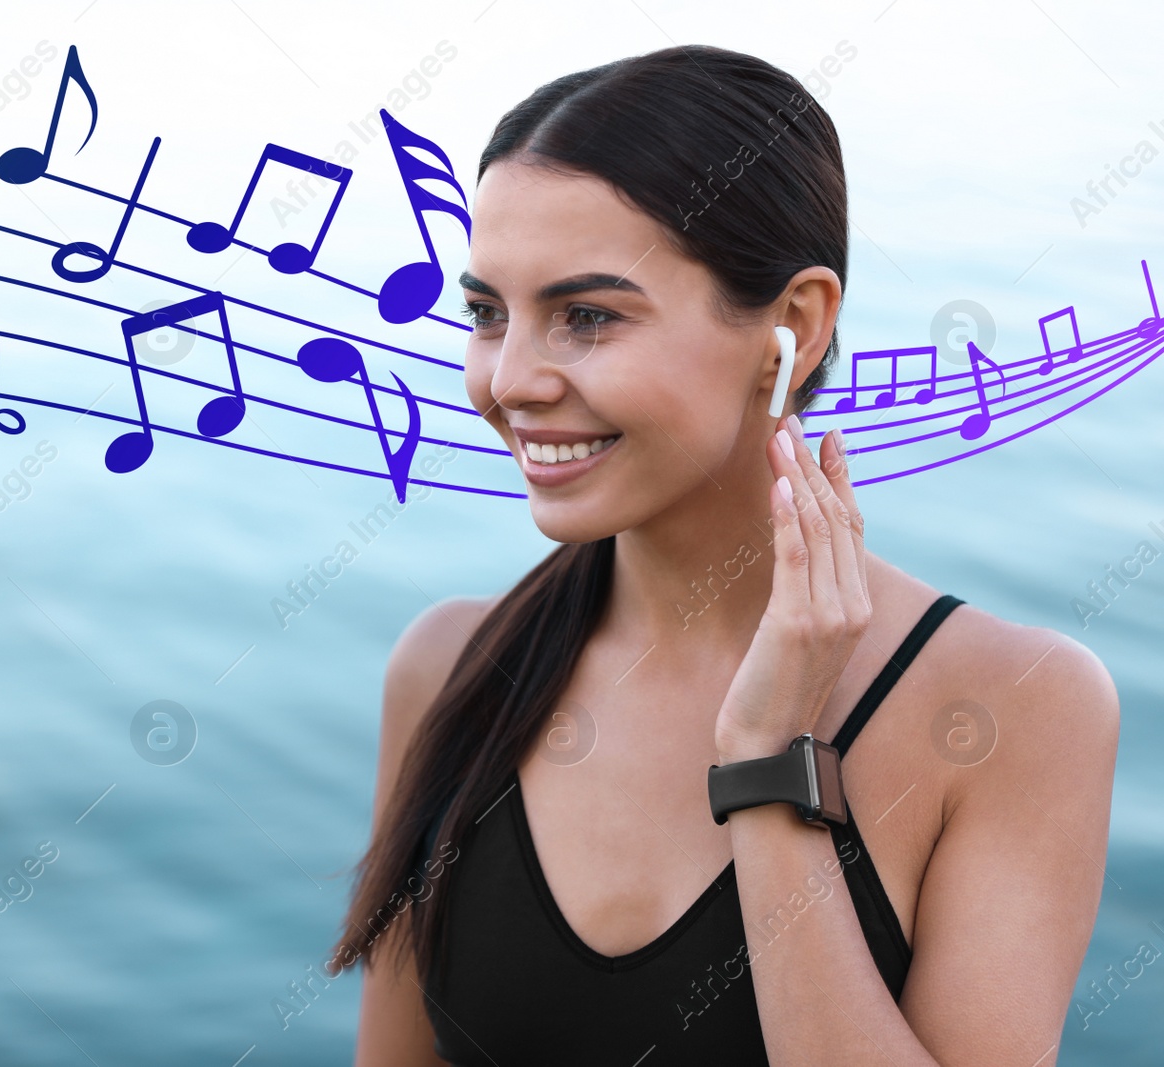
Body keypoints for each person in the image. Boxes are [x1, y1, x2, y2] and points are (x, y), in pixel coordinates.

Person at [331, 44, 1119, 1065]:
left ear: (790, 327)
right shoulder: (447, 669)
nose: (510, 378)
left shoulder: (1019, 704)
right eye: (488, 312)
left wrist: (764, 763)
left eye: (586, 316)